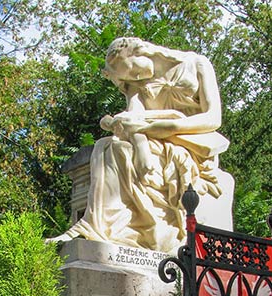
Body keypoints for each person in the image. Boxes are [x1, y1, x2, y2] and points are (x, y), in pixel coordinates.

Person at [50, 37, 234, 252]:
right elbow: (132, 119)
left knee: (114, 150)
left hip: (189, 142)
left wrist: (170, 127)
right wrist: (140, 144)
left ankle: (143, 231)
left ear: (141, 51)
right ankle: (99, 227)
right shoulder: (136, 84)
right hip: (151, 139)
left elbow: (213, 119)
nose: (136, 78)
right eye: (129, 77)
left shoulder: (196, 64)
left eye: (134, 71)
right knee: (107, 147)